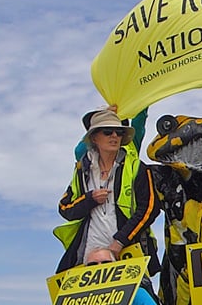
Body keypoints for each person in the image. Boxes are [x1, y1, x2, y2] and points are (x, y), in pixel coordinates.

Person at [54, 110, 161, 278]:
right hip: (89, 255)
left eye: (119, 132)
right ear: (94, 138)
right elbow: (65, 209)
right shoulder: (82, 170)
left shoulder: (136, 167)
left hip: (128, 249)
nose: (114, 136)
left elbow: (150, 208)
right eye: (107, 131)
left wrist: (119, 242)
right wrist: (89, 199)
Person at [84, 247, 158, 305]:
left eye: (106, 263)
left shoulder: (135, 293)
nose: (100, 268)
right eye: (92, 264)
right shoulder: (73, 298)